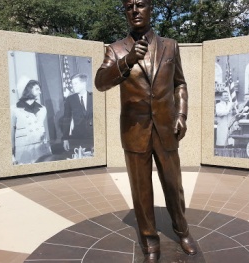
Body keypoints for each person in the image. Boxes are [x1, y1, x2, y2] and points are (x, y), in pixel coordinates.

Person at [95, 0, 197, 262]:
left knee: (174, 186)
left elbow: (180, 84)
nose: (135, 11)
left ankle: (182, 230)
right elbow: (101, 83)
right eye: (129, 7)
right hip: (134, 131)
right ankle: (150, 240)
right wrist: (128, 60)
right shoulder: (116, 49)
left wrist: (181, 115)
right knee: (141, 191)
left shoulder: (171, 45)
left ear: (151, 9)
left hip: (166, 128)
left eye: (140, 5)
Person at [11, 79, 51, 164]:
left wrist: (48, 149)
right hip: (24, 153)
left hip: (41, 150)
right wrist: (11, 156)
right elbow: (10, 134)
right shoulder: (14, 109)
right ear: (28, 89)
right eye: (37, 89)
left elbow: (44, 132)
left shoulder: (42, 109)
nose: (40, 92)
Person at [62, 73, 94, 156]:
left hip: (94, 137)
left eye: (75, 83)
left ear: (83, 84)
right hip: (78, 138)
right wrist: (65, 139)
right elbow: (66, 119)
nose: (73, 86)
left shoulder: (94, 97)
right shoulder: (70, 99)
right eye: (72, 84)